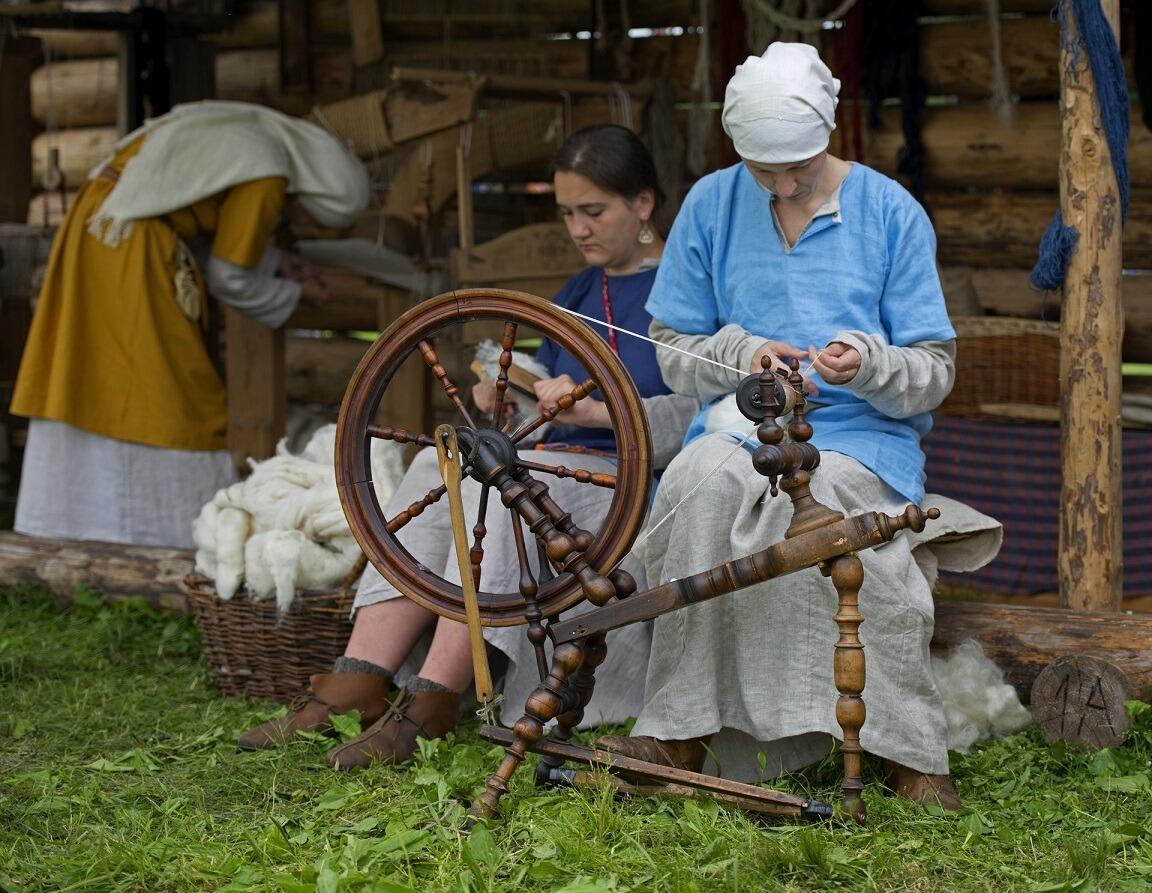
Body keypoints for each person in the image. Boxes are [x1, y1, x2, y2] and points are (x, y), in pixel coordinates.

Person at [594, 43, 1002, 809]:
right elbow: (671, 350)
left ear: (831, 130)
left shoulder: (888, 211)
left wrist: (869, 365)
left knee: (846, 520)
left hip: (859, 433)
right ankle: (679, 725)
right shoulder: (712, 205)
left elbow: (935, 371)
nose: (783, 185)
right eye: (765, 170)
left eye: (801, 167)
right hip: (738, 426)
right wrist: (740, 353)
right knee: (693, 488)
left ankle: (904, 746)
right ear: (736, 148)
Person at [238, 124, 698, 768]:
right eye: (567, 213)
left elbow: (705, 410)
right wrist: (506, 398)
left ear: (644, 204)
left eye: (594, 211)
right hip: (552, 466)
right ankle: (360, 676)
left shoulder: (687, 292)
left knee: (502, 481)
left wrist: (603, 410)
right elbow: (543, 390)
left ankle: (433, 696)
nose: (579, 229)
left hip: (626, 490)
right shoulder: (576, 291)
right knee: (440, 460)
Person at [10, 101, 369, 549]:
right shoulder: (268, 175)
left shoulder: (252, 139)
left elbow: (194, 214)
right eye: (312, 218)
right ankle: (165, 534)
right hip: (131, 248)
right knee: (169, 389)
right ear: (314, 197)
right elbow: (229, 276)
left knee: (92, 370)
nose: (301, 223)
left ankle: (75, 526)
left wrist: (278, 262)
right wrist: (296, 296)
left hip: (100, 230)